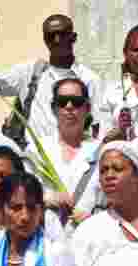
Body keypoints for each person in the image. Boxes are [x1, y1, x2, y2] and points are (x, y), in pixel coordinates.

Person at [0, 10, 102, 141]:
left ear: (73, 37)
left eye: (62, 34)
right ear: (44, 40)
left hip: (73, 157)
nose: (56, 39)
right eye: (50, 35)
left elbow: (96, 128)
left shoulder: (88, 79)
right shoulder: (29, 72)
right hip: (33, 159)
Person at [25, 77, 101, 228]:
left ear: (88, 108)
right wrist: (47, 198)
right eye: (62, 101)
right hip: (47, 237)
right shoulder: (37, 149)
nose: (69, 106)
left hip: (88, 238)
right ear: (53, 108)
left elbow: (111, 201)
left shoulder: (101, 151)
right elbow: (22, 192)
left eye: (76, 101)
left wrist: (94, 218)